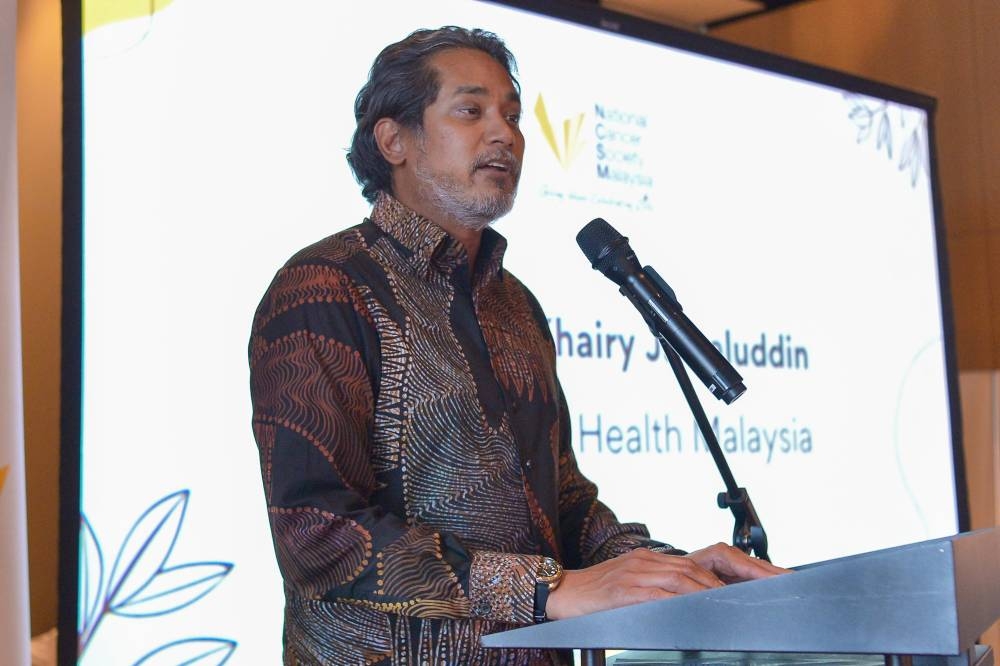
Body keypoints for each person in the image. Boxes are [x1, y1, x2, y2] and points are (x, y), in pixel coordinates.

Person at [249, 26, 785, 666]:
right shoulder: (325, 288)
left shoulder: (514, 305)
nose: (503, 133)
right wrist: (549, 589)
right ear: (393, 140)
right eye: (470, 111)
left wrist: (673, 577)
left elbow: (562, 507)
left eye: (511, 115)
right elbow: (316, 533)